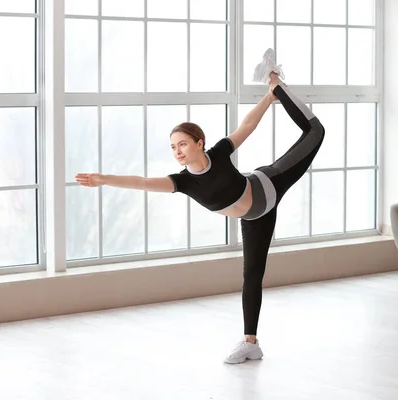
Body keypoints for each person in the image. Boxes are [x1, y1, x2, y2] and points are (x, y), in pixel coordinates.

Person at [75, 49, 325, 364]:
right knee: (252, 274)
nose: (177, 151)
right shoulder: (183, 182)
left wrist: (268, 99)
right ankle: (251, 342)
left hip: (271, 183)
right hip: (255, 217)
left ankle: (275, 82)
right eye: (172, 147)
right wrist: (105, 179)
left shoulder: (219, 153)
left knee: (316, 132)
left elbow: (246, 126)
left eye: (182, 144)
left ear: (199, 143)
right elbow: (141, 181)